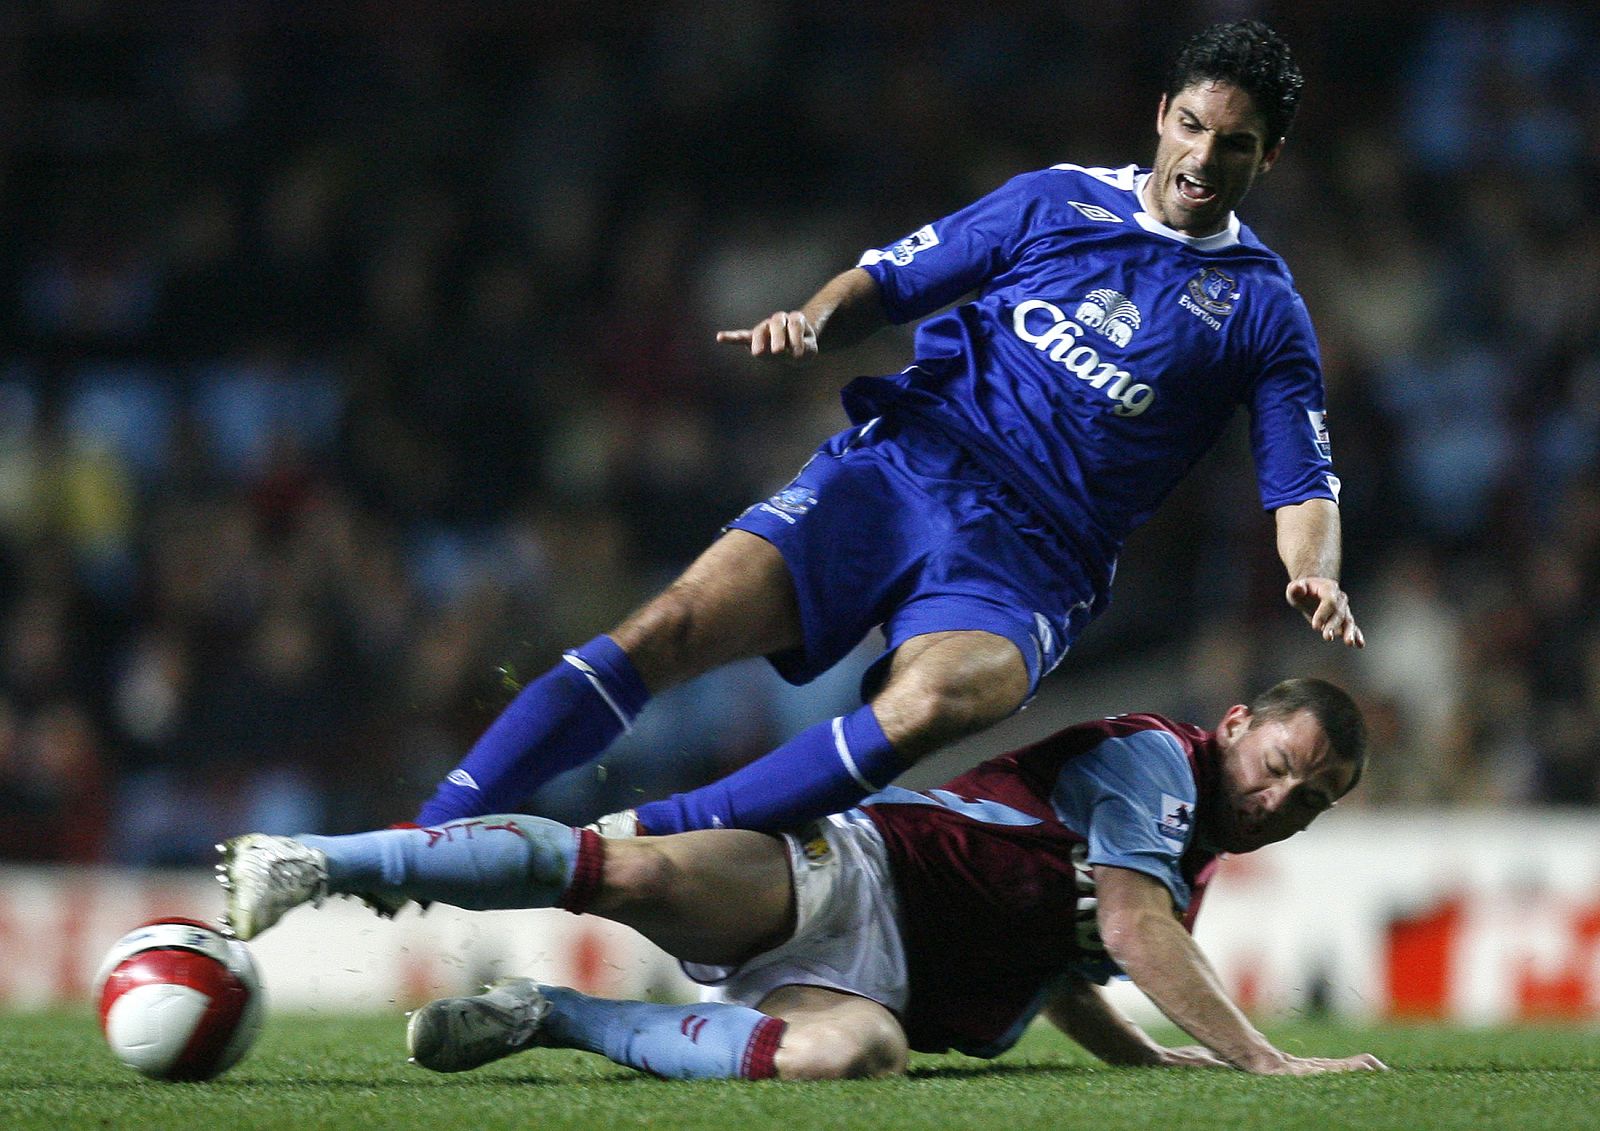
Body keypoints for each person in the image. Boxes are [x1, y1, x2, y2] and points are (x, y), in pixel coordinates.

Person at [409, 19, 1361, 843]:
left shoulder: (1262, 309)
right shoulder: (1052, 199)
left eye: (1234, 145)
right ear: (1162, 113)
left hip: (1036, 558)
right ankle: (426, 835)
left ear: (1267, 158)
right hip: (905, 472)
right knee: (668, 625)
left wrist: (1312, 569)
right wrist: (816, 319)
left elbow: (1301, 480)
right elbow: (890, 277)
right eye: (1192, 126)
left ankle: (648, 837)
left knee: (942, 700)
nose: (1201, 159)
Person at [218, 677, 1386, 1080]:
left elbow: (1069, 961)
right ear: (1235, 725)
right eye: (1278, 766)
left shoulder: (1183, 863)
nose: (1277, 801)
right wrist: (1263, 1060)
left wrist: (1148, 1055)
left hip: (876, 990)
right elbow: (1129, 932)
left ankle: (554, 1018)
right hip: (858, 875)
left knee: (846, 1060)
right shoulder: (1154, 765)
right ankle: (315, 861)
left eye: (1310, 800)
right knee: (621, 871)